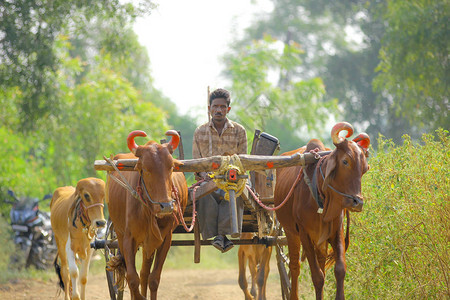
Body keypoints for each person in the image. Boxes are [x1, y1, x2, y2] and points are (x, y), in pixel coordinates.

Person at [192, 88, 247, 253]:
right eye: (215, 106)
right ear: (209, 108)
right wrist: (205, 177)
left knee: (234, 193)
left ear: (228, 109)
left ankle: (222, 235)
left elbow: (243, 161)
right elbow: (196, 163)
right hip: (206, 179)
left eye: (223, 107)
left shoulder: (239, 131)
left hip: (233, 179)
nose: (218, 110)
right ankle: (217, 236)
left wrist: (233, 177)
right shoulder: (200, 132)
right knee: (203, 193)